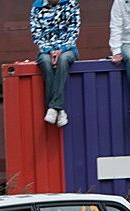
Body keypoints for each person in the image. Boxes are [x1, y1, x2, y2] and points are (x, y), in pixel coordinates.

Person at [30, 0, 80, 128]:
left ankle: (53, 107)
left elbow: (74, 30)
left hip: (68, 50)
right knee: (45, 62)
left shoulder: (71, 3)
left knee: (63, 59)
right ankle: (59, 109)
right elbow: (37, 34)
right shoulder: (37, 7)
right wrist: (49, 51)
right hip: (46, 51)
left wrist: (61, 49)